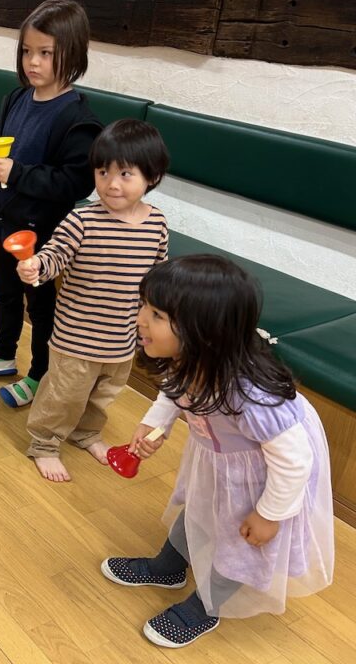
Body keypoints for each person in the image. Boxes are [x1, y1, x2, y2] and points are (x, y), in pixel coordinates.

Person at [101, 256, 334, 647]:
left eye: (156, 315)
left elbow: (294, 463)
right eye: (144, 306)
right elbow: (173, 393)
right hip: (221, 459)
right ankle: (169, 566)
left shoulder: (252, 396)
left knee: (239, 541)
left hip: (266, 474)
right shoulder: (185, 359)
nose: (140, 319)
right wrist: (155, 424)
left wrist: (269, 514)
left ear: (204, 331)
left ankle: (206, 606)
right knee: (199, 508)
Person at [0, 0, 103, 408]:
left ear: (72, 54)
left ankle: (40, 373)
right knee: (5, 293)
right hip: (2, 220)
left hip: (40, 232)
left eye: (45, 53)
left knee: (40, 306)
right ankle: (3, 354)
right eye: (27, 51)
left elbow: (75, 183)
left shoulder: (77, 118)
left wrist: (19, 173)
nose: (33, 62)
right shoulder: (16, 99)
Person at [16, 119, 169, 481]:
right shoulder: (82, 220)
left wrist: (154, 326)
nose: (112, 184)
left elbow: (158, 279)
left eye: (125, 174)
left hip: (122, 339)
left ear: (152, 177)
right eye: (103, 172)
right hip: (76, 338)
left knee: (103, 395)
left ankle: (85, 433)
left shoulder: (157, 224)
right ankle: (45, 443)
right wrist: (36, 266)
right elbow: (55, 255)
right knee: (62, 395)